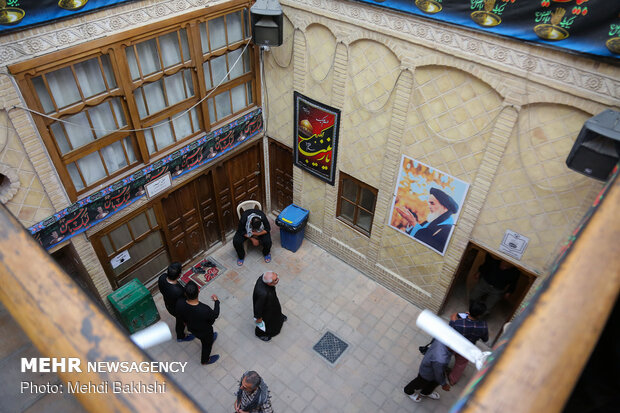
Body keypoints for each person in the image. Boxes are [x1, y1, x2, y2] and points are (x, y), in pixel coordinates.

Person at [396, 187, 459, 253]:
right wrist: (410, 222)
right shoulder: (427, 222)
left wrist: (413, 222)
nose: (429, 206)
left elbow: (427, 245)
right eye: (429, 203)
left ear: (445, 208)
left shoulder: (448, 229)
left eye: (432, 203)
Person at [176, 281, 220, 365]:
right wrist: (217, 302)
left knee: (204, 338)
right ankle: (205, 360)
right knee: (207, 345)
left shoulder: (180, 303)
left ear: (185, 294)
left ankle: (209, 340)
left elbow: (179, 316)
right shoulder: (204, 309)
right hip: (205, 332)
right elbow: (215, 315)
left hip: (192, 328)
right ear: (198, 291)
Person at [448, 301, 489, 385]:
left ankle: (440, 370)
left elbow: (451, 323)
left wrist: (454, 319)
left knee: (445, 356)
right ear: (480, 315)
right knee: (460, 364)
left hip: (454, 345)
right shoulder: (483, 326)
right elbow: (485, 339)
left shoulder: (458, 323)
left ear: (469, 310)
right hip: (467, 348)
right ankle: (452, 380)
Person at [158, 262, 194, 342]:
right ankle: (181, 337)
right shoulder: (178, 291)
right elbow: (184, 303)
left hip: (168, 304)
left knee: (181, 321)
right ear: (179, 275)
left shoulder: (162, 277)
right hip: (177, 310)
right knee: (181, 322)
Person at [252, 272, 286, 342]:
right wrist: (258, 318)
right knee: (268, 321)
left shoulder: (263, 278)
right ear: (269, 283)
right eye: (276, 280)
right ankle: (260, 334)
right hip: (267, 309)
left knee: (277, 311)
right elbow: (258, 307)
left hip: (272, 302)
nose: (278, 279)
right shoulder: (263, 294)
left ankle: (280, 318)